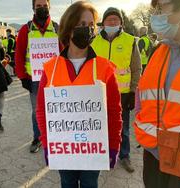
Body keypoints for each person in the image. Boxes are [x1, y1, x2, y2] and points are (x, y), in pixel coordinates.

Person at [36, 1, 122, 187]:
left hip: (93, 150)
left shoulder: (104, 68)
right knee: (67, 184)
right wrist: (46, 143)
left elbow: (114, 113)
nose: (88, 29)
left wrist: (114, 145)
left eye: (91, 25)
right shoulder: (50, 69)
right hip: (64, 149)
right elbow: (42, 111)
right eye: (82, 25)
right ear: (69, 27)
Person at [134, 0, 180, 187]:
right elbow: (143, 93)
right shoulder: (159, 51)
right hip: (154, 156)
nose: (156, 15)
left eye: (162, 7)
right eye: (155, 8)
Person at [91, 7, 141, 173]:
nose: (112, 22)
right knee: (100, 126)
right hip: (99, 93)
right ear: (103, 23)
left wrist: (133, 91)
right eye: (109, 19)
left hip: (123, 94)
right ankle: (102, 153)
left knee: (123, 128)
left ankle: (124, 156)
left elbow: (136, 68)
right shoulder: (94, 42)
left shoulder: (130, 40)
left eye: (115, 19)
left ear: (121, 23)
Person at [15, 0, 60, 153]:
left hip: (55, 79)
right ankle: (38, 137)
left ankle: (56, 136)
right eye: (38, 6)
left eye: (44, 5)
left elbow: (65, 53)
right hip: (34, 80)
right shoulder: (25, 29)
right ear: (33, 9)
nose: (42, 8)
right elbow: (19, 55)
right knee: (37, 111)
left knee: (56, 109)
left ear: (49, 7)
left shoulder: (58, 28)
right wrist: (22, 77)